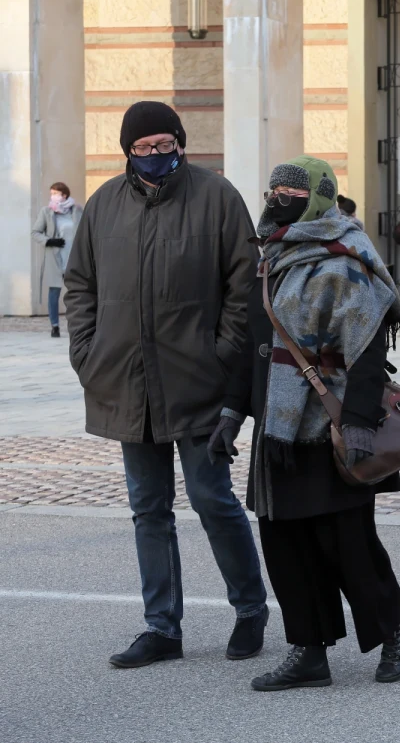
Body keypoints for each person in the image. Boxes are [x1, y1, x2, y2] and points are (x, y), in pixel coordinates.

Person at [63, 101, 269, 668]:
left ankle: (250, 609)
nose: (157, 156)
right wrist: (87, 352)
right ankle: (162, 626)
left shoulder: (217, 197)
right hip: (127, 383)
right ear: (127, 152)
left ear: (180, 142)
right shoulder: (104, 205)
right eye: (144, 148)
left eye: (165, 144)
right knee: (147, 508)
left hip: (197, 381)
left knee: (212, 499)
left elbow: (244, 286)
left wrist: (223, 355)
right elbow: (79, 282)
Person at [213, 156, 400, 691]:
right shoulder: (271, 260)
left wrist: (358, 428)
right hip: (277, 434)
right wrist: (231, 415)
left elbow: (368, 354)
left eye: (292, 189)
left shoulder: (343, 260)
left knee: (347, 546)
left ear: (319, 196)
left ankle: (396, 627)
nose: (279, 196)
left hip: (329, 431)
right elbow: (253, 349)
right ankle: (309, 651)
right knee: (286, 549)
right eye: (275, 186)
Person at [31, 181, 83, 338]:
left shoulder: (77, 210)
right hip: (54, 258)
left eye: (55, 193)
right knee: (54, 292)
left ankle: (78, 325)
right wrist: (49, 240)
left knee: (77, 294)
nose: (52, 196)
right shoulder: (46, 211)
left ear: (64, 195)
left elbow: (85, 230)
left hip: (73, 258)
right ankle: (54, 326)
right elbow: (35, 232)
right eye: (51, 193)